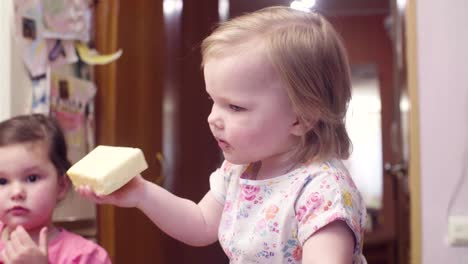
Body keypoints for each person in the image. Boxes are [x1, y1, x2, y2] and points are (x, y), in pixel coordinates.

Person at [78, 6, 367, 263]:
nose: (213, 118)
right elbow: (201, 223)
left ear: (303, 118)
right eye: (213, 101)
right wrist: (142, 193)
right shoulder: (240, 170)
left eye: (235, 107)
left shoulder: (323, 191)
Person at [0, 114, 111, 264]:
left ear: (61, 186)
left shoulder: (85, 257)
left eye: (32, 178)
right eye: (2, 181)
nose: (16, 192)